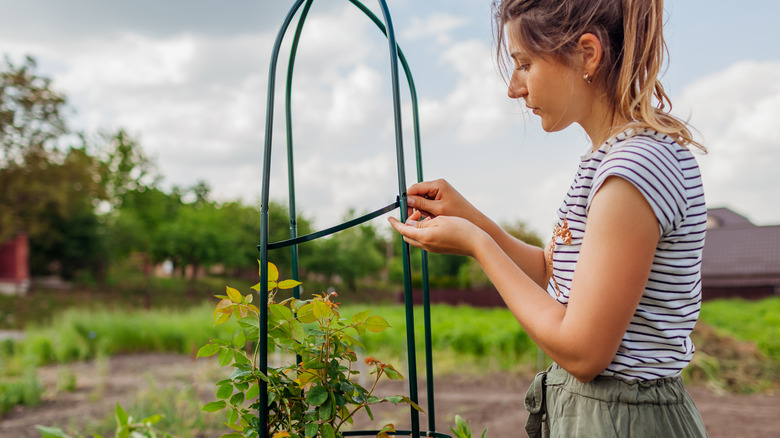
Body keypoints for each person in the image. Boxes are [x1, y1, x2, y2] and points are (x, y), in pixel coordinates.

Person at [388, 0, 709, 436]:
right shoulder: (607, 160)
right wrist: (471, 219)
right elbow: (550, 273)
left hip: (624, 420)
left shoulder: (633, 171)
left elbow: (582, 352)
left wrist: (477, 245)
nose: (513, 88)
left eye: (524, 64)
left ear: (587, 54)